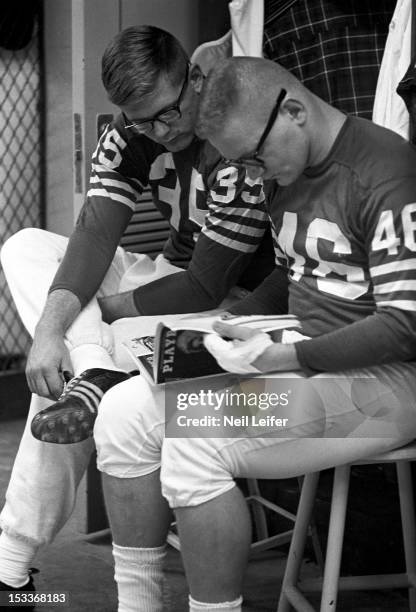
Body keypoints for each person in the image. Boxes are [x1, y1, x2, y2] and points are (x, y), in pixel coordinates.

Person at [91, 57, 416, 611]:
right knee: (122, 414)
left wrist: (282, 357)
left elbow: (405, 326)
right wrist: (233, 326)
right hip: (305, 359)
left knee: (195, 440)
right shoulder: (285, 169)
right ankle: (138, 604)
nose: (254, 176)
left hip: (384, 384)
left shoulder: (385, 173)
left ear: (293, 112)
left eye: (254, 159)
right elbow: (296, 273)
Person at [0, 28, 277, 601]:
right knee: (24, 246)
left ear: (194, 80)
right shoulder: (133, 131)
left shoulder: (236, 135)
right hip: (157, 282)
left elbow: (205, 285)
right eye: (141, 121)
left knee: (61, 378)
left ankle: (10, 568)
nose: (160, 130)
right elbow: (95, 234)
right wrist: (54, 332)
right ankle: (91, 369)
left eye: (168, 112)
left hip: (227, 308)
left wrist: (92, 320)